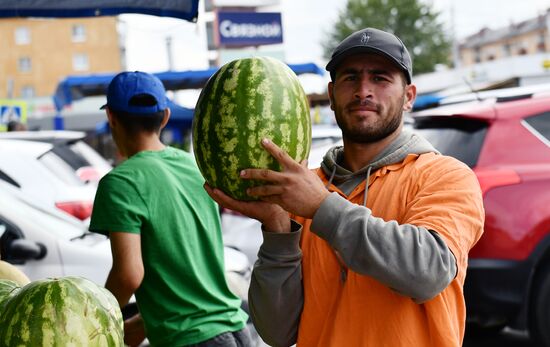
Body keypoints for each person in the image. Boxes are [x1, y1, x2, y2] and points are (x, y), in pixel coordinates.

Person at [205, 27, 485, 346]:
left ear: (409, 97)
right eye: (350, 78)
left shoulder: (445, 175)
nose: (363, 90)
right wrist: (277, 227)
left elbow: (428, 273)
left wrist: (322, 208)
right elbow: (277, 331)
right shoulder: (301, 190)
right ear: (332, 94)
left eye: (380, 78)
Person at [89, 71, 250, 347]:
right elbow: (188, 270)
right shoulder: (193, 167)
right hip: (236, 329)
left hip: (191, 341)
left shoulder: (120, 183)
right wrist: (139, 325)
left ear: (111, 118)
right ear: (164, 117)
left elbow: (129, 274)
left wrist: (94, 326)